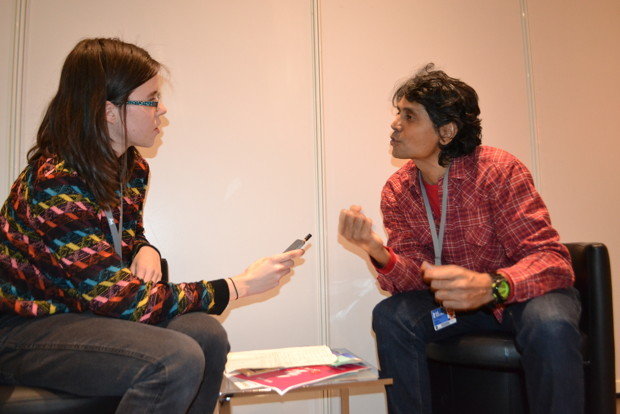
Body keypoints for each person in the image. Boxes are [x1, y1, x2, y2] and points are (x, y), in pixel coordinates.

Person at [0, 38, 304, 414]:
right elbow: (121, 300)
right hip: (22, 331)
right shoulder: (57, 184)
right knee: (173, 358)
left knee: (206, 335)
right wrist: (237, 287)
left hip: (84, 316)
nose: (162, 111)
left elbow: (116, 240)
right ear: (109, 111)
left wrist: (145, 248)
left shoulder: (133, 169)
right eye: (151, 99)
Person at [338, 64, 582, 414]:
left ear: (447, 131)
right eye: (398, 114)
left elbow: (551, 260)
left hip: (518, 296)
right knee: (392, 316)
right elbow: (412, 281)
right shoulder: (398, 189)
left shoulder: (498, 169)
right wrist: (377, 251)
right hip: (459, 307)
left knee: (551, 323)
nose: (395, 124)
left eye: (409, 116)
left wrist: (492, 286)